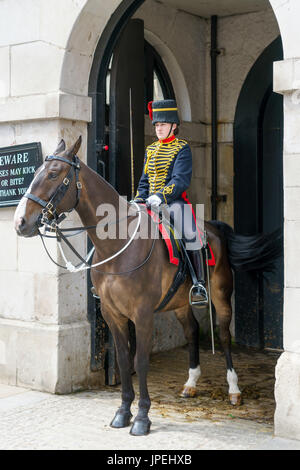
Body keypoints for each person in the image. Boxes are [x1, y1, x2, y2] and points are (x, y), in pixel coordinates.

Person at [134, 99, 208, 304]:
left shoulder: (181, 148)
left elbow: (181, 180)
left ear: (173, 126)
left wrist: (161, 196)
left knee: (191, 232)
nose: (159, 129)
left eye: (163, 125)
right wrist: (139, 198)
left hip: (173, 202)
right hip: (148, 202)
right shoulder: (150, 150)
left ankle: (198, 284)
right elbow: (144, 181)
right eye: (157, 125)